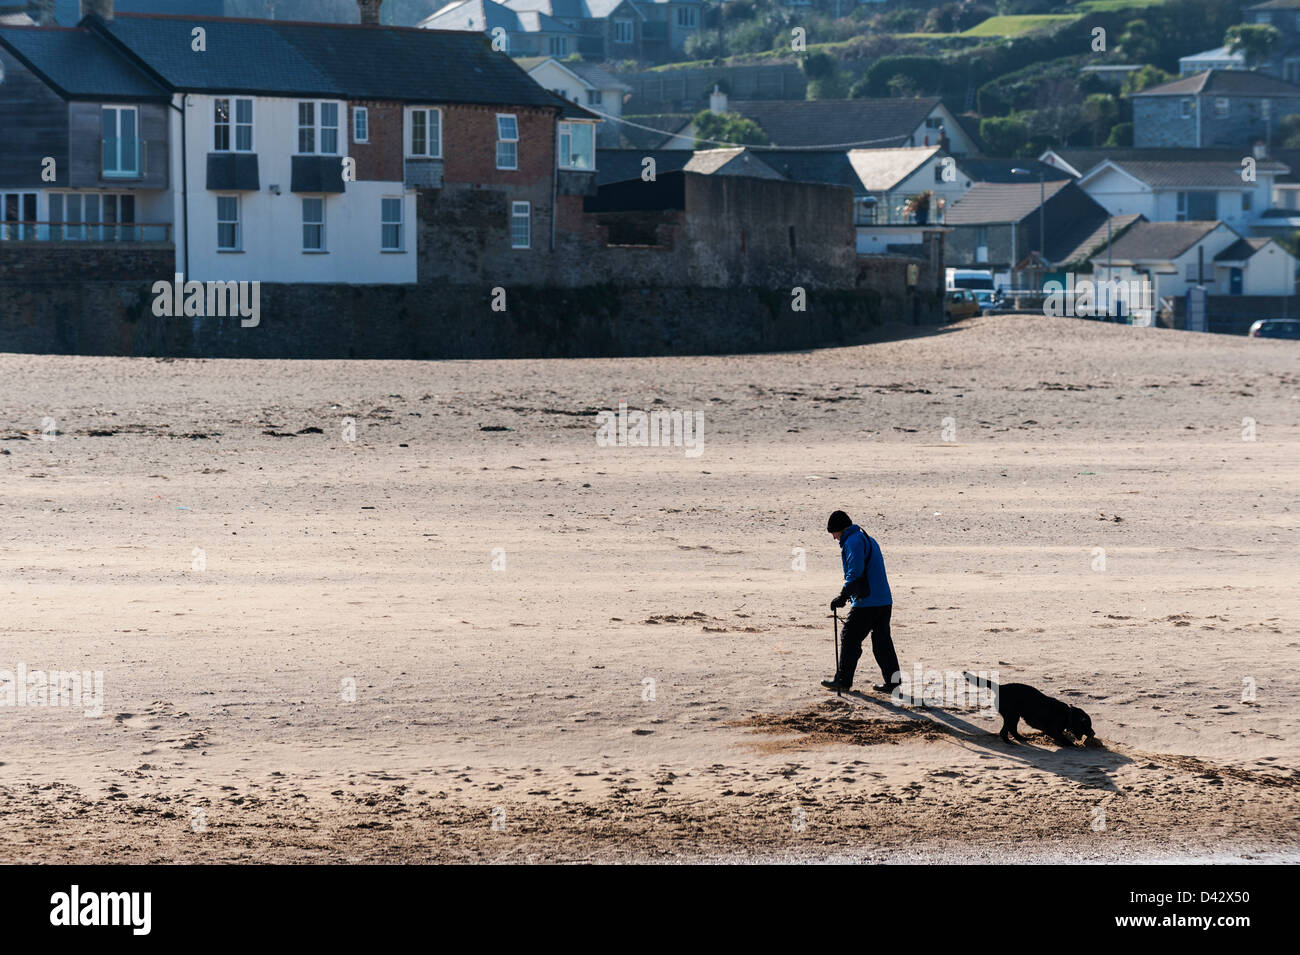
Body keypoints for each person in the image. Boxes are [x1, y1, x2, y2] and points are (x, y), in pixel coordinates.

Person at [822, 510, 901, 693]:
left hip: (868, 602)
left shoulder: (853, 541)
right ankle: (893, 683)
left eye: (833, 533)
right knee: (882, 642)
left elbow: (855, 572)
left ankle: (843, 680)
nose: (834, 538)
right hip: (884, 600)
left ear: (839, 529)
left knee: (849, 637)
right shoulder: (866, 538)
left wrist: (842, 596)